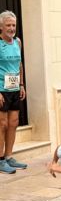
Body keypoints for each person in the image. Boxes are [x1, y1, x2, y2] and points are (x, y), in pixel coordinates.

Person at [0, 11, 27, 173]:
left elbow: (19, 64)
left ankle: (9, 156)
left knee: (13, 123)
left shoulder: (17, 42)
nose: (11, 28)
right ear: (1, 26)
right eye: (8, 25)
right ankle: (1, 159)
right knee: (1, 124)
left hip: (15, 88)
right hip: (1, 90)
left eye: (13, 25)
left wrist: (22, 84)